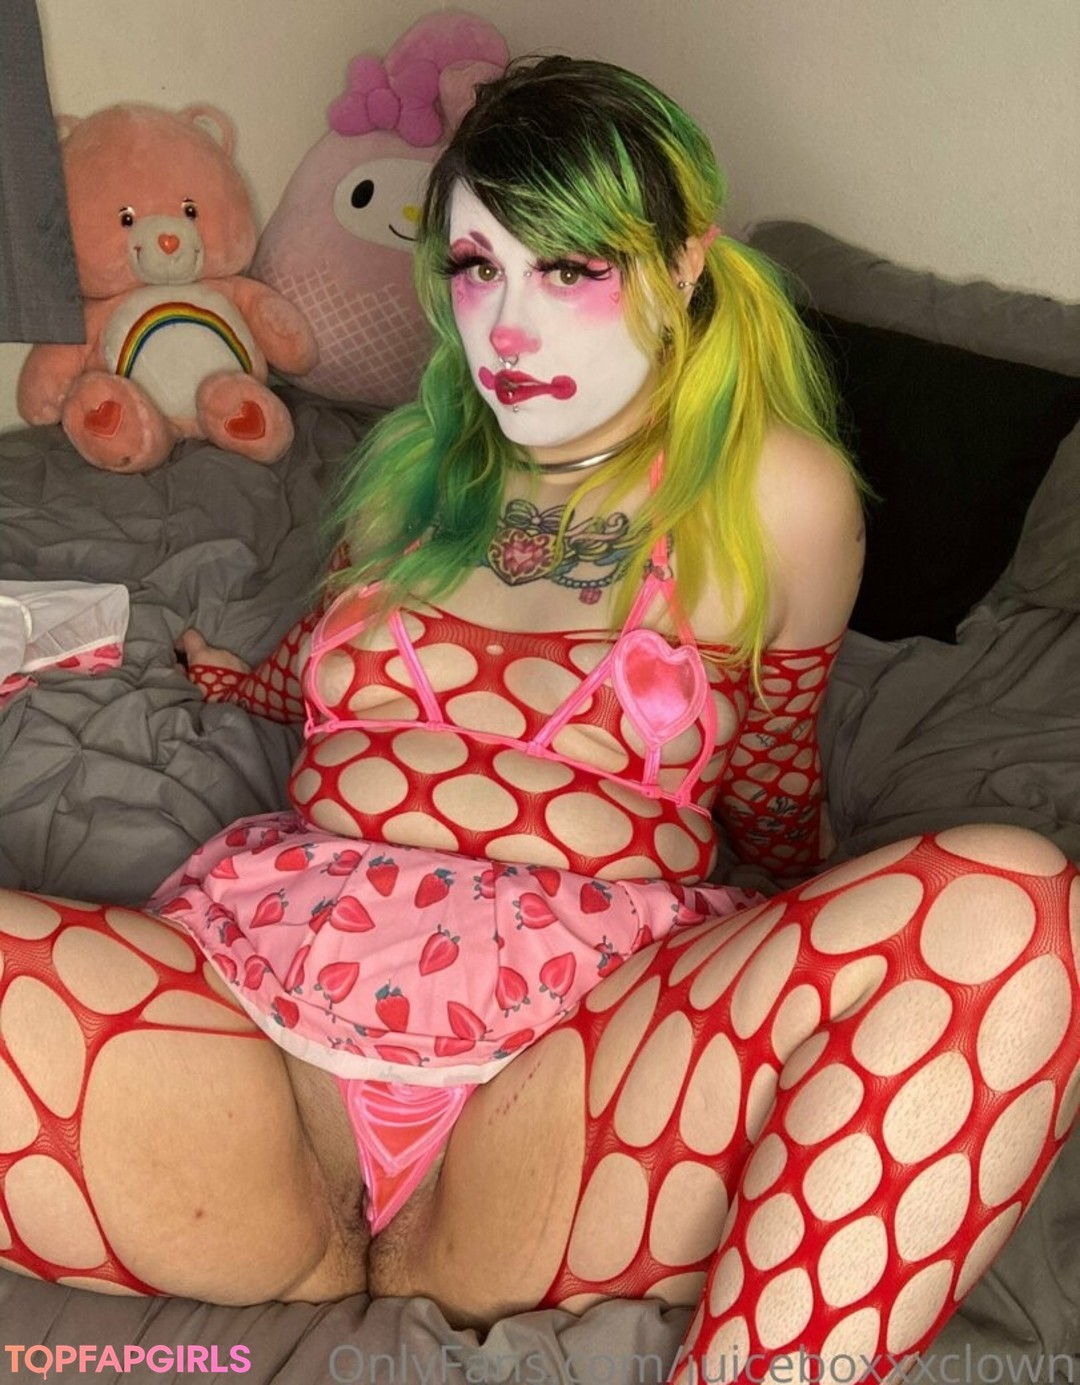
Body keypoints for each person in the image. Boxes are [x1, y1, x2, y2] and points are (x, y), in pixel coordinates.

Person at [1, 56, 1077, 1383]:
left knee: (1011, 913)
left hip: (569, 1076)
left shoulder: (779, 494)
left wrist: (812, 947)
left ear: (684, 264)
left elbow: (775, 768)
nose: (509, 326)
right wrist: (244, 682)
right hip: (259, 1045)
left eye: (569, 270)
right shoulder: (407, 475)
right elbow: (322, 673)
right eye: (477, 267)